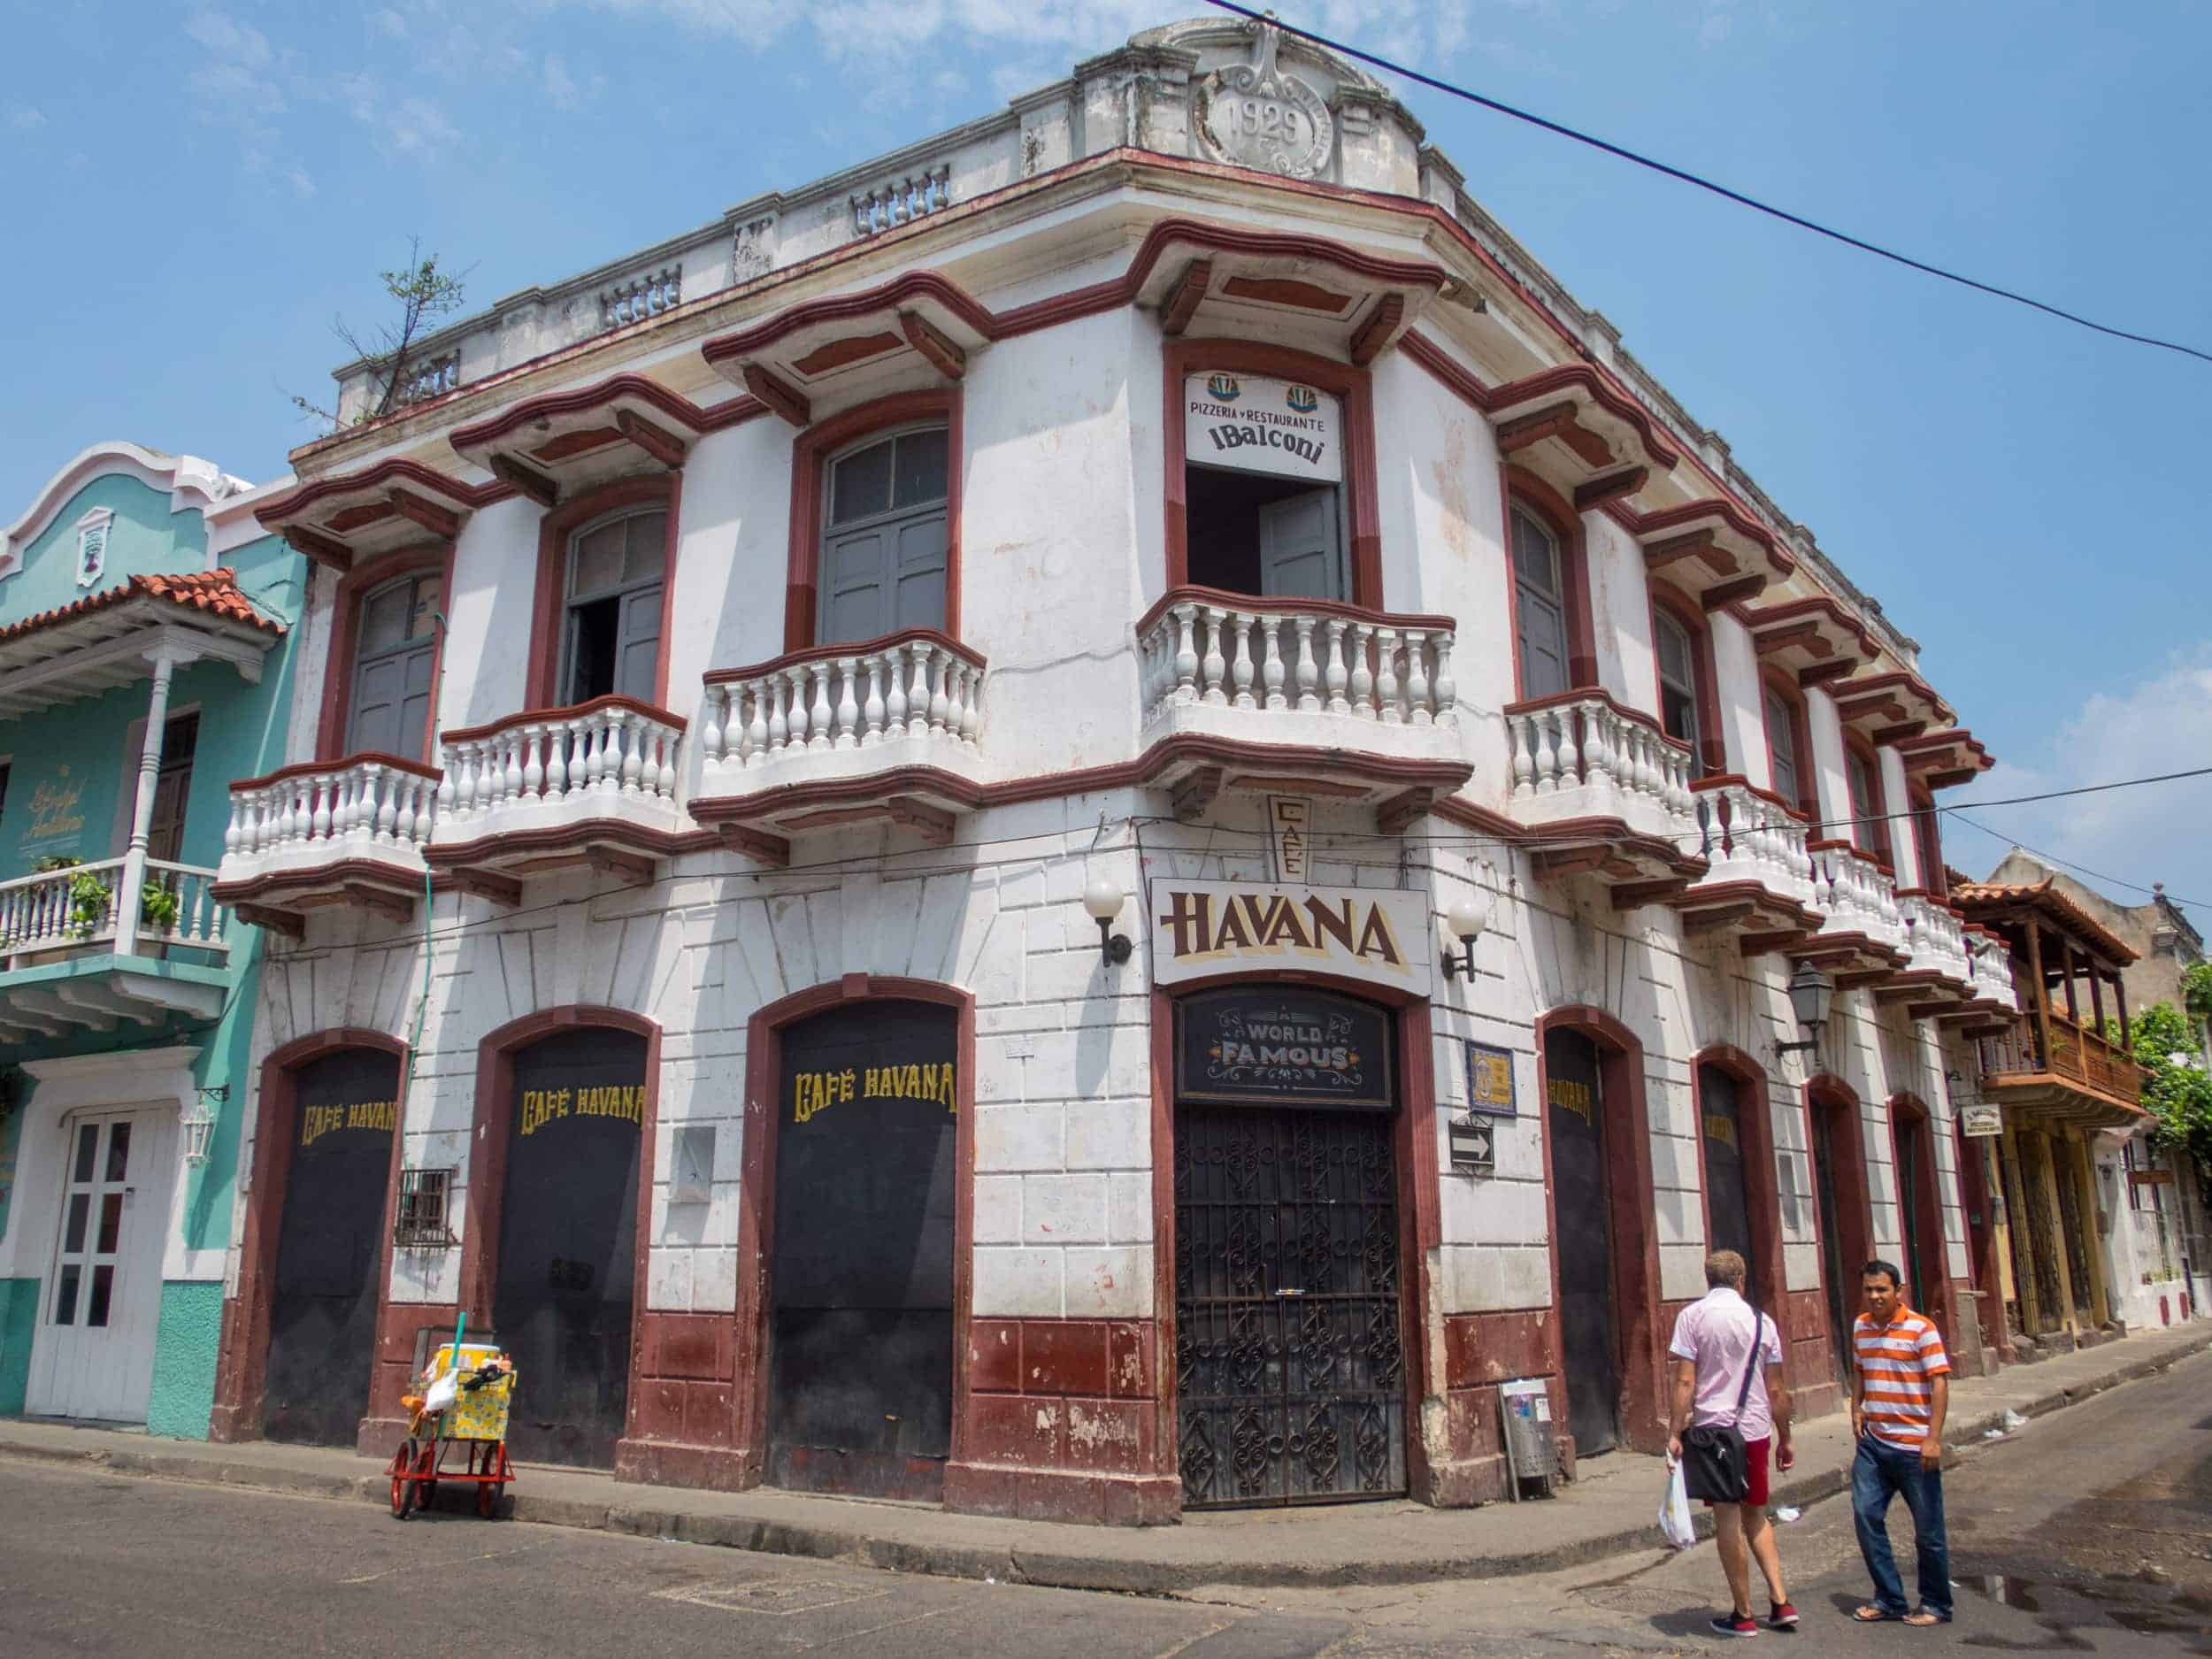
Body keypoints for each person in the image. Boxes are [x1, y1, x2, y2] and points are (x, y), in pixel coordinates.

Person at [1667, 1248, 1797, 1638]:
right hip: (1755, 1430)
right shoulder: (1762, 1321)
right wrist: (1785, 1437)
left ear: (1708, 1280)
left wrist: (1675, 1432)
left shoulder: (1692, 1317)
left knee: (1727, 1519)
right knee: (1756, 1514)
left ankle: (1743, 1614)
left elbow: (1686, 1382)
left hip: (1714, 1435)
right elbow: (1776, 1388)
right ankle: (1780, 1601)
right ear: (1741, 1281)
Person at [1849, 1259, 1952, 1627]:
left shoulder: (1922, 1329)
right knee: (1866, 1516)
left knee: (1928, 1531)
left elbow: (1939, 1383)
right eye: (1869, 1290)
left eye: (1882, 1290)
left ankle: (1936, 1603)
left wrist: (1933, 1438)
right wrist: (1856, 1409)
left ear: (1898, 1291)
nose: (1875, 1296)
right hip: (1874, 1445)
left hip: (1914, 1447)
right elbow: (1860, 1370)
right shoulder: (1861, 1327)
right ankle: (1890, 1598)